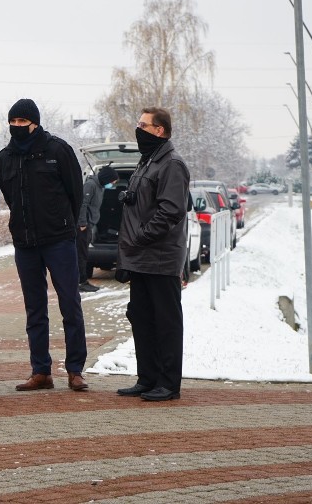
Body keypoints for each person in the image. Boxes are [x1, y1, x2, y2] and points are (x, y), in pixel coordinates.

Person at [0, 98, 89, 392]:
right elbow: (10, 194)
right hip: (25, 243)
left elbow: (76, 193)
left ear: (35, 122)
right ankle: (41, 371)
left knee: (70, 304)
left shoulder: (58, 150)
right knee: (34, 309)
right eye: (13, 123)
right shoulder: (5, 156)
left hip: (59, 240)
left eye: (23, 122)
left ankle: (75, 370)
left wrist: (66, 227)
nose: (17, 127)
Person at [115, 107, 191, 402]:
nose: (138, 129)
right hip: (141, 258)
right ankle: (147, 378)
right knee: (142, 318)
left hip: (159, 257)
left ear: (160, 130)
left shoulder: (171, 164)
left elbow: (171, 210)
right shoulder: (147, 162)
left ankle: (168, 383)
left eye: (143, 125)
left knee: (166, 321)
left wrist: (141, 237)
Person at [77, 165, 118, 293]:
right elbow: (82, 203)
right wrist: (82, 223)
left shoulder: (100, 186)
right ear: (106, 178)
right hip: (84, 226)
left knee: (83, 254)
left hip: (90, 224)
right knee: (81, 255)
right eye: (112, 182)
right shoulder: (90, 185)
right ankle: (81, 282)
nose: (113, 184)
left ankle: (81, 281)